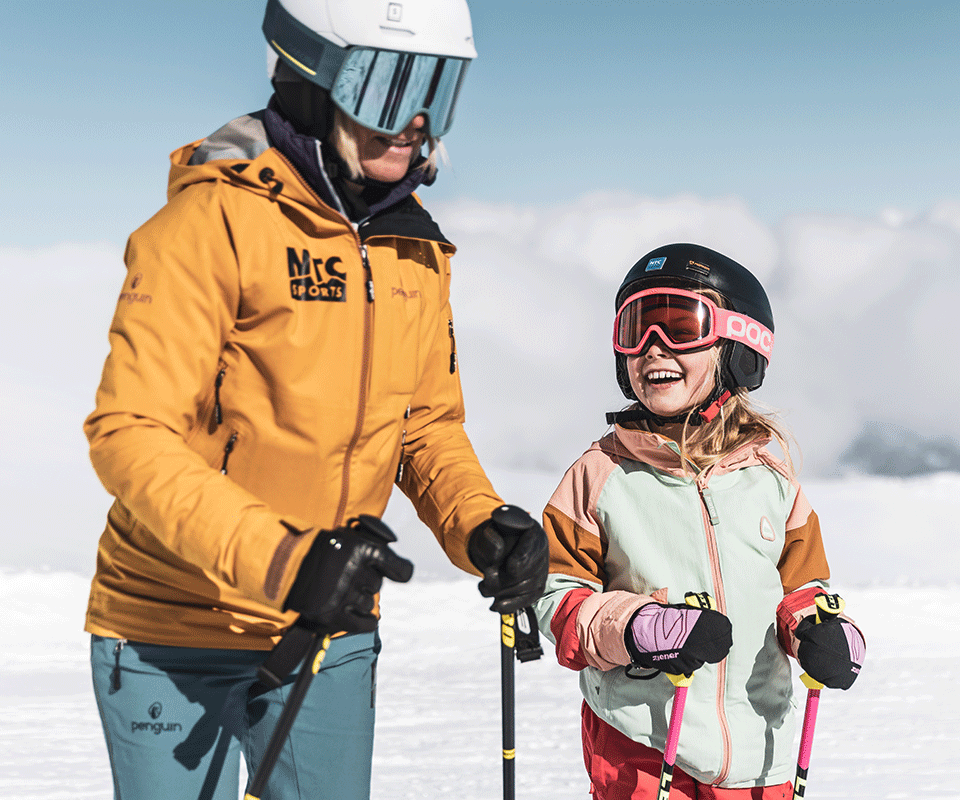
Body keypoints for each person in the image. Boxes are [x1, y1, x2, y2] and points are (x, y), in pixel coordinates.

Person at [83, 1, 548, 799]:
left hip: (330, 622)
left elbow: (423, 425)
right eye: (392, 82)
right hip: (175, 625)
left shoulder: (413, 246)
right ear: (310, 72)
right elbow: (131, 433)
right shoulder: (211, 221)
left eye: (438, 85)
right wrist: (286, 560)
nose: (416, 120)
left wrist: (479, 525)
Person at [532, 243, 866, 799]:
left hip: (761, 751)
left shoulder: (772, 476)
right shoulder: (600, 473)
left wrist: (819, 632)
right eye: (635, 328)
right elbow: (553, 595)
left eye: (680, 325)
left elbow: (803, 585)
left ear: (738, 347)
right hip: (643, 746)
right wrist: (639, 629)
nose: (652, 347)